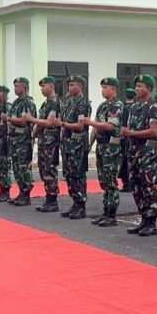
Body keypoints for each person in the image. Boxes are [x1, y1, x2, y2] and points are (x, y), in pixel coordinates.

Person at [121, 74, 157, 237]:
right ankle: (143, 218)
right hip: (134, 152)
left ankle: (151, 222)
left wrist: (132, 133)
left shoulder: (154, 107)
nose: (137, 89)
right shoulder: (134, 107)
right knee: (136, 187)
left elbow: (154, 131)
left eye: (140, 86)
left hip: (147, 153)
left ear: (149, 88)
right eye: (136, 86)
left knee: (148, 187)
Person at [84, 77, 122, 226]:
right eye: (102, 88)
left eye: (106, 88)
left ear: (114, 89)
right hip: (101, 147)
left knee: (111, 181)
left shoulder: (117, 106)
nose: (103, 90)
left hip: (111, 148)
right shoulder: (102, 106)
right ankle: (105, 211)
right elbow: (96, 127)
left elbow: (110, 126)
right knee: (103, 181)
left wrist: (91, 122)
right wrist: (90, 144)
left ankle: (112, 215)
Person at [54, 75, 91, 219]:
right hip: (67, 144)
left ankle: (81, 205)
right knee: (69, 175)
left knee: (78, 175)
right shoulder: (69, 102)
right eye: (69, 84)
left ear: (81, 86)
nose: (70, 87)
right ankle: (75, 203)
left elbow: (81, 126)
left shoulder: (83, 103)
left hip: (78, 145)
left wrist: (63, 124)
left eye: (73, 84)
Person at [24, 77, 61, 212]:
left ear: (51, 86)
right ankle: (48, 198)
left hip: (51, 142)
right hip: (43, 141)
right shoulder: (45, 104)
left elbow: (49, 123)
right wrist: (33, 135)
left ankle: (52, 200)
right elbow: (40, 122)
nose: (41, 89)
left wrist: (31, 119)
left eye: (44, 86)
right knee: (43, 169)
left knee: (49, 169)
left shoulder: (56, 103)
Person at [2, 77, 37, 206]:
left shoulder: (28, 103)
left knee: (24, 167)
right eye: (14, 86)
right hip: (14, 139)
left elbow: (23, 121)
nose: (15, 89)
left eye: (17, 86)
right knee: (16, 167)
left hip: (24, 140)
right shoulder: (16, 102)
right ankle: (21, 191)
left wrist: (9, 119)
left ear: (24, 87)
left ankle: (26, 194)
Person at [119, 87, 136, 192]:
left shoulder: (124, 108)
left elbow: (122, 123)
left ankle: (127, 184)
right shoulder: (135, 107)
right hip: (134, 137)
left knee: (125, 160)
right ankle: (131, 183)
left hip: (125, 137)